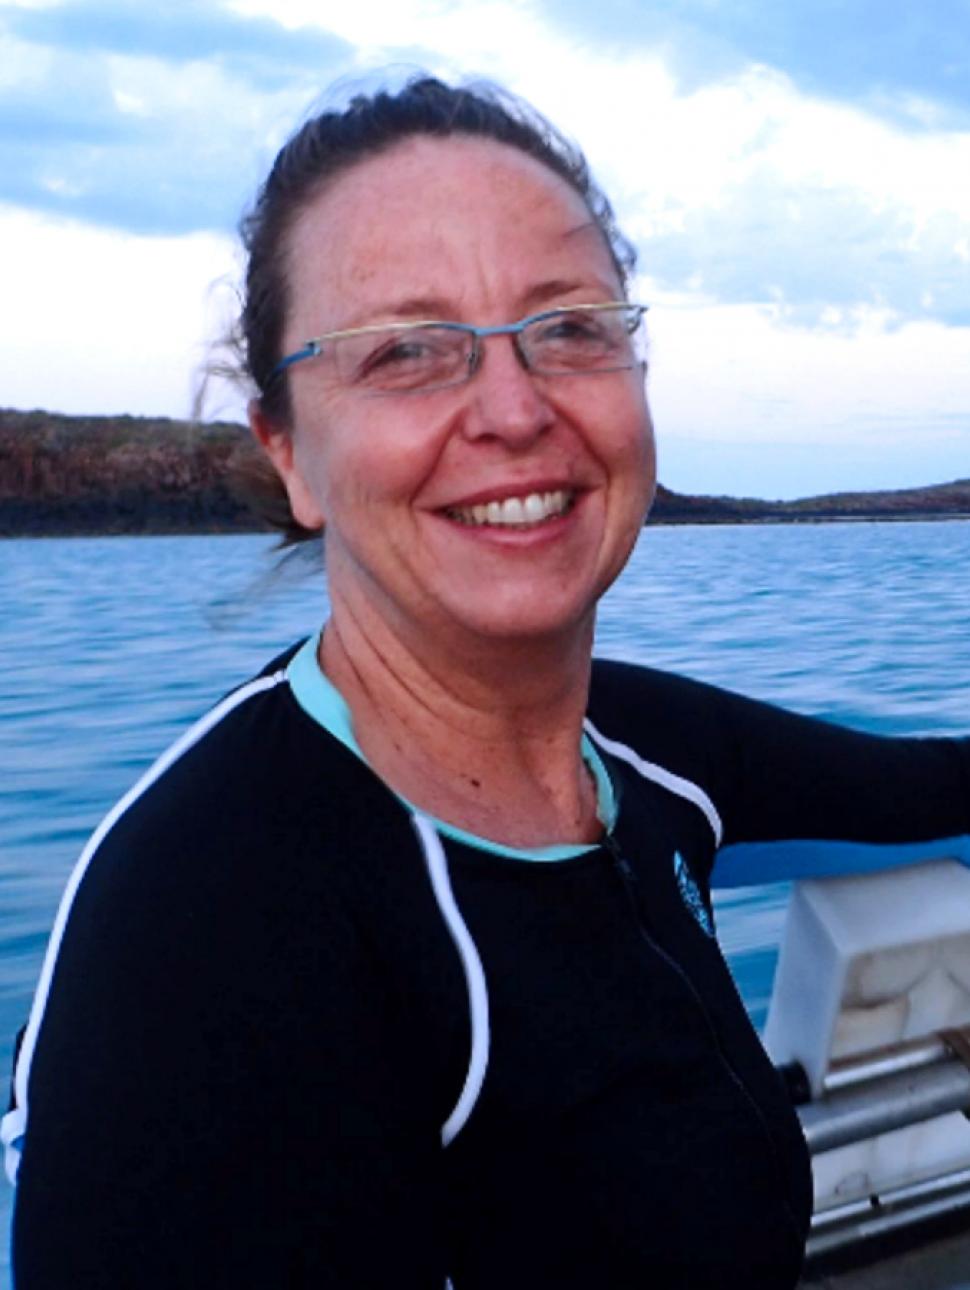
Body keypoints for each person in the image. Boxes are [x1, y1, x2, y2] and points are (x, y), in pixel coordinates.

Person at [4, 75, 968, 1290]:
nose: (512, 409)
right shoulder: (205, 920)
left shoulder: (629, 748)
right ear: (289, 454)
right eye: (406, 351)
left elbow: (927, 788)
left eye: (568, 326)